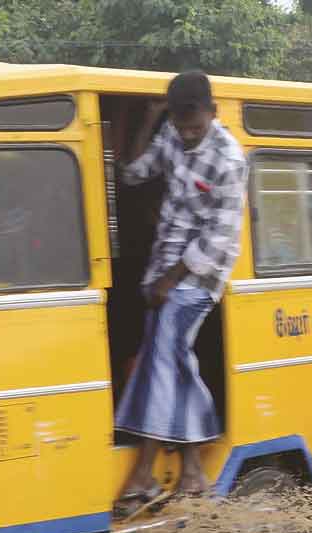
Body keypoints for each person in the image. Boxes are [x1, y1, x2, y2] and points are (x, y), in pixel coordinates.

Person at [113, 71, 249, 510]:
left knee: (162, 353)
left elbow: (217, 240)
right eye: (181, 125)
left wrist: (171, 281)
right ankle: (192, 468)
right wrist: (146, 121)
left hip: (200, 277)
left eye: (196, 126)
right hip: (161, 270)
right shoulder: (171, 135)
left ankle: (143, 474)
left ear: (213, 113)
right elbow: (133, 173)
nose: (188, 135)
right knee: (167, 359)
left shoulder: (229, 159)